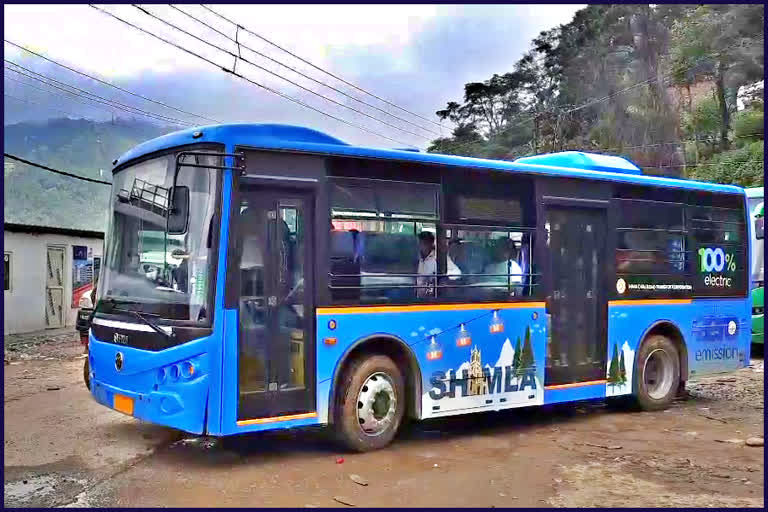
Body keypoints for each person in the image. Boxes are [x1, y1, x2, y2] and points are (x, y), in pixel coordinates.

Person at [417, 231, 461, 298]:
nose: (421, 246)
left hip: (429, 297)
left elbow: (457, 273)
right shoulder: (415, 256)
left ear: (431, 244)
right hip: (412, 295)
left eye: (425, 243)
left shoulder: (439, 257)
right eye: (420, 243)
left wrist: (439, 277)